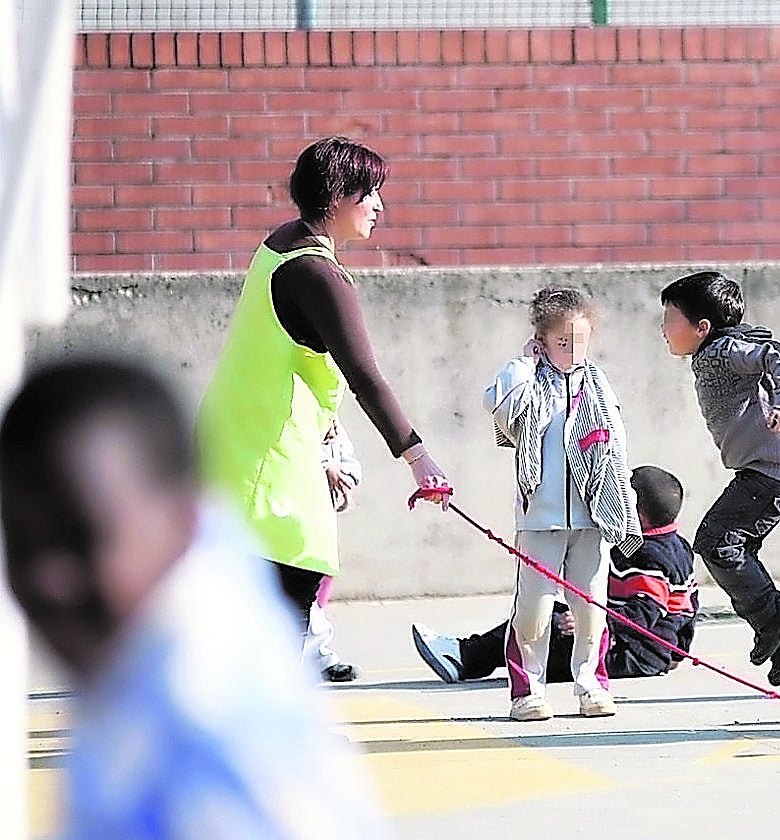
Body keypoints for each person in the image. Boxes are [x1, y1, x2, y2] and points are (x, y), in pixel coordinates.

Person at [0, 357, 389, 838]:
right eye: (20, 542)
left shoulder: (202, 732)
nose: (48, 579)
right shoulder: (198, 581)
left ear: (180, 523)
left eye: (83, 539)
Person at [197, 136, 450, 642]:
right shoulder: (317, 274)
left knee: (259, 590)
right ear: (336, 198)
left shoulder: (284, 241)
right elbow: (365, 376)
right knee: (294, 575)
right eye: (367, 193)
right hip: (267, 453)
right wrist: (419, 458)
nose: (378, 205)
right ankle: (264, 716)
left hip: (240, 440)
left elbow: (295, 352)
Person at [484, 287, 642, 721]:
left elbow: (616, 445)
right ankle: (526, 691)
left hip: (594, 516)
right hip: (540, 519)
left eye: (581, 341)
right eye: (561, 342)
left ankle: (591, 683)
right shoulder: (525, 379)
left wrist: (620, 501)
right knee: (532, 611)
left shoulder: (598, 383)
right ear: (542, 339)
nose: (572, 351)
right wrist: (525, 362)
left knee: (591, 608)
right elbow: (501, 411)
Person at [659, 270, 780, 687]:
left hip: (774, 474)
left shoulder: (726, 350)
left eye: (670, 320)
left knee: (715, 542)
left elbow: (779, 354)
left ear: (701, 327)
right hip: (763, 473)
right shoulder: (710, 352)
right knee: (729, 547)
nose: (663, 330)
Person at [412, 465, 698, 685]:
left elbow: (643, 613)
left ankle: (463, 658)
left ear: (637, 513)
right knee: (549, 612)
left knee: (539, 624)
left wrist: (595, 621)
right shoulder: (675, 546)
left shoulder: (647, 556)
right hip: (645, 652)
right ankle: (471, 654)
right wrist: (676, 652)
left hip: (628, 653)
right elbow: (688, 607)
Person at [304, 418, 362, 683]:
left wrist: (345, 479)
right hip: (284, 513)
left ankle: (315, 655)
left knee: (318, 581)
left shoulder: (333, 424)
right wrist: (324, 466)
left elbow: (349, 462)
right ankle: (318, 655)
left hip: (318, 519)